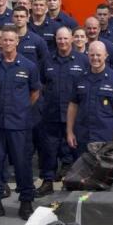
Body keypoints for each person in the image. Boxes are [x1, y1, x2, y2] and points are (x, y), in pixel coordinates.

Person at [0, 26, 41, 221]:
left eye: (10, 40)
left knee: (22, 164)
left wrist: (19, 109)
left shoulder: (28, 66)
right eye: (3, 40)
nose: (7, 43)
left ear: (17, 42)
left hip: (19, 124)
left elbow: (34, 93)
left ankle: (26, 202)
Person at [37, 27, 88, 195]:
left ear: (72, 39)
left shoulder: (82, 60)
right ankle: (47, 181)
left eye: (66, 38)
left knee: (76, 151)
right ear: (55, 40)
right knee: (48, 151)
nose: (62, 42)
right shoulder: (47, 60)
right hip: (51, 114)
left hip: (75, 116)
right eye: (59, 39)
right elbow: (41, 84)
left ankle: (76, 183)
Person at [66, 40, 113, 154]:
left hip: (105, 137)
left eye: (98, 55)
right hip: (83, 136)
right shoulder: (80, 78)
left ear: (106, 56)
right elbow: (73, 106)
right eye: (92, 55)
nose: (95, 58)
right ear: (88, 55)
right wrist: (69, 132)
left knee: (104, 171)